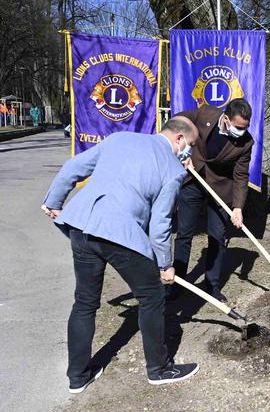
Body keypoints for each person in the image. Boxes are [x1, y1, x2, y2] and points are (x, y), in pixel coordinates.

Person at [42, 117, 201, 393]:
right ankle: (159, 369)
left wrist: (53, 201)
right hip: (119, 234)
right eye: (191, 145)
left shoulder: (120, 138)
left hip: (82, 226)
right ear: (179, 138)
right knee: (152, 296)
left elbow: (73, 168)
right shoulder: (173, 170)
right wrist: (165, 265)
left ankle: (78, 377)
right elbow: (160, 224)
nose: (189, 152)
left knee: (84, 303)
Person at [172, 98, 254, 302]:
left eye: (245, 127)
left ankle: (212, 285)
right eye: (238, 127)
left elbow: (241, 176)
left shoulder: (246, 143)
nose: (241, 132)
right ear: (226, 119)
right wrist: (183, 151)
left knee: (217, 237)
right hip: (193, 178)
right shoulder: (205, 115)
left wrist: (237, 207)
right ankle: (177, 282)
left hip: (220, 188)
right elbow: (176, 123)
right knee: (184, 234)